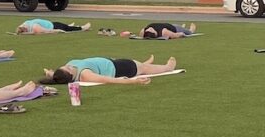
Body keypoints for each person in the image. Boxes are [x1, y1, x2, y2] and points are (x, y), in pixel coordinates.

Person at [43, 55, 177, 85]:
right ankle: (168, 67)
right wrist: (131, 82)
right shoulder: (85, 75)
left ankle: (142, 65)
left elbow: (57, 76)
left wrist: (50, 74)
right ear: (71, 75)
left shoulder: (65, 72)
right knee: (143, 68)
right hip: (118, 69)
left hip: (110, 62)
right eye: (68, 68)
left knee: (139, 65)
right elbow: (106, 79)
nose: (69, 66)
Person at [120, 23, 197, 39]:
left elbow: (137, 35)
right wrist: (182, 34)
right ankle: (191, 29)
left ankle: (182, 26)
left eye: (149, 29)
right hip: (174, 28)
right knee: (188, 32)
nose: (150, 28)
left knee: (179, 26)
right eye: (151, 29)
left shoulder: (144, 31)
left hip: (167, 25)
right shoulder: (163, 32)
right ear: (154, 33)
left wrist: (129, 33)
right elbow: (175, 35)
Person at [15, 19, 91, 34]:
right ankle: (82, 28)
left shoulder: (30, 26)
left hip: (51, 24)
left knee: (64, 26)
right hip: (52, 26)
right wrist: (57, 31)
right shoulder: (29, 25)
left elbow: (19, 29)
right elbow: (47, 31)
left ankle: (68, 25)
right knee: (68, 29)